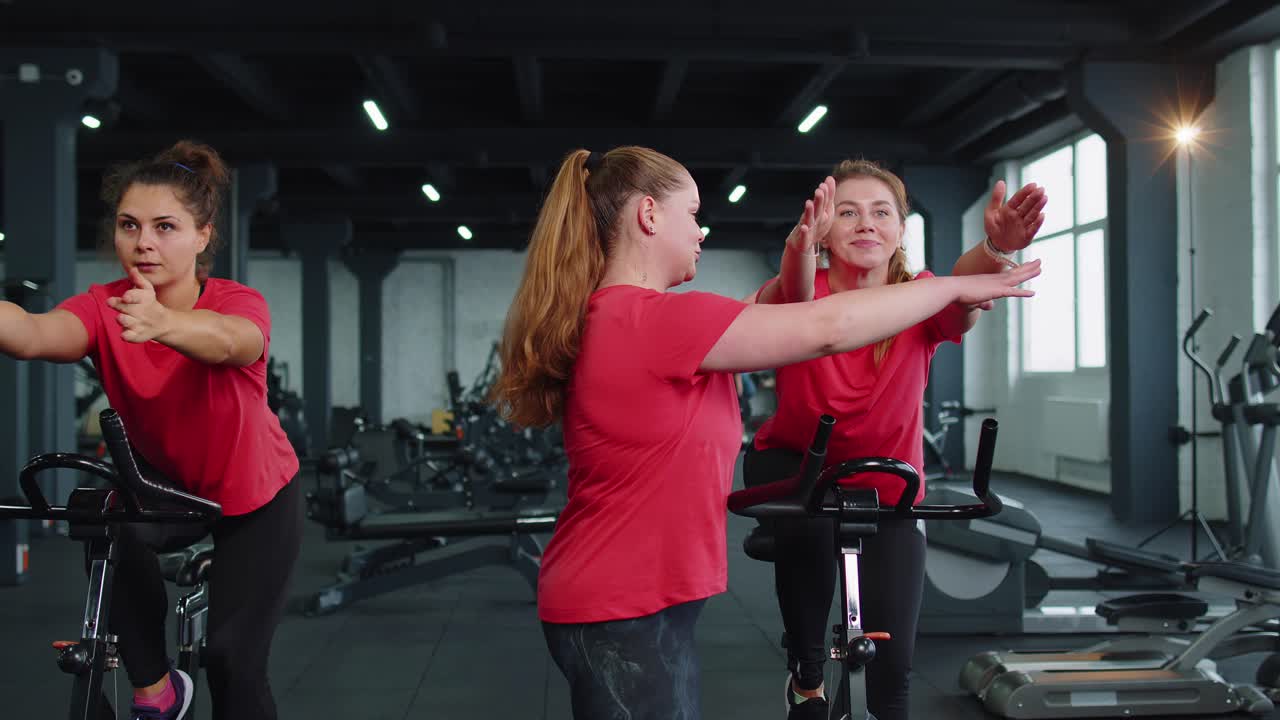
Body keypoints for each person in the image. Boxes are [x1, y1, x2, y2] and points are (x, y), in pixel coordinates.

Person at [490, 145, 1041, 720]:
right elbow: (826, 325)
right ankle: (806, 672)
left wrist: (987, 256)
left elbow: (787, 307)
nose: (702, 231)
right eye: (693, 213)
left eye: (881, 213)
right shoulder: (656, 319)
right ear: (649, 215)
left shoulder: (648, 318)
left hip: (633, 598)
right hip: (620, 601)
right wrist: (946, 284)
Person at [0, 141, 301, 720]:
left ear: (202, 236)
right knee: (100, 514)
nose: (144, 242)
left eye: (165, 227)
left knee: (232, 662)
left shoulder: (236, 302)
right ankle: (157, 688)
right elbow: (34, 333)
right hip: (165, 486)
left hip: (256, 493)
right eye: (129, 225)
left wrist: (163, 322)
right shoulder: (104, 307)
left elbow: (234, 343)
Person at [745, 159, 1047, 720]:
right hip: (793, 463)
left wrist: (996, 248)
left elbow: (961, 293)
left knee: (892, 676)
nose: (866, 222)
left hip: (888, 485)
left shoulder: (920, 296)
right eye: (848, 213)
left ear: (901, 230)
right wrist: (798, 248)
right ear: (825, 230)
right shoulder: (798, 290)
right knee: (810, 525)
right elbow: (791, 291)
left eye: (881, 212)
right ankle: (807, 674)